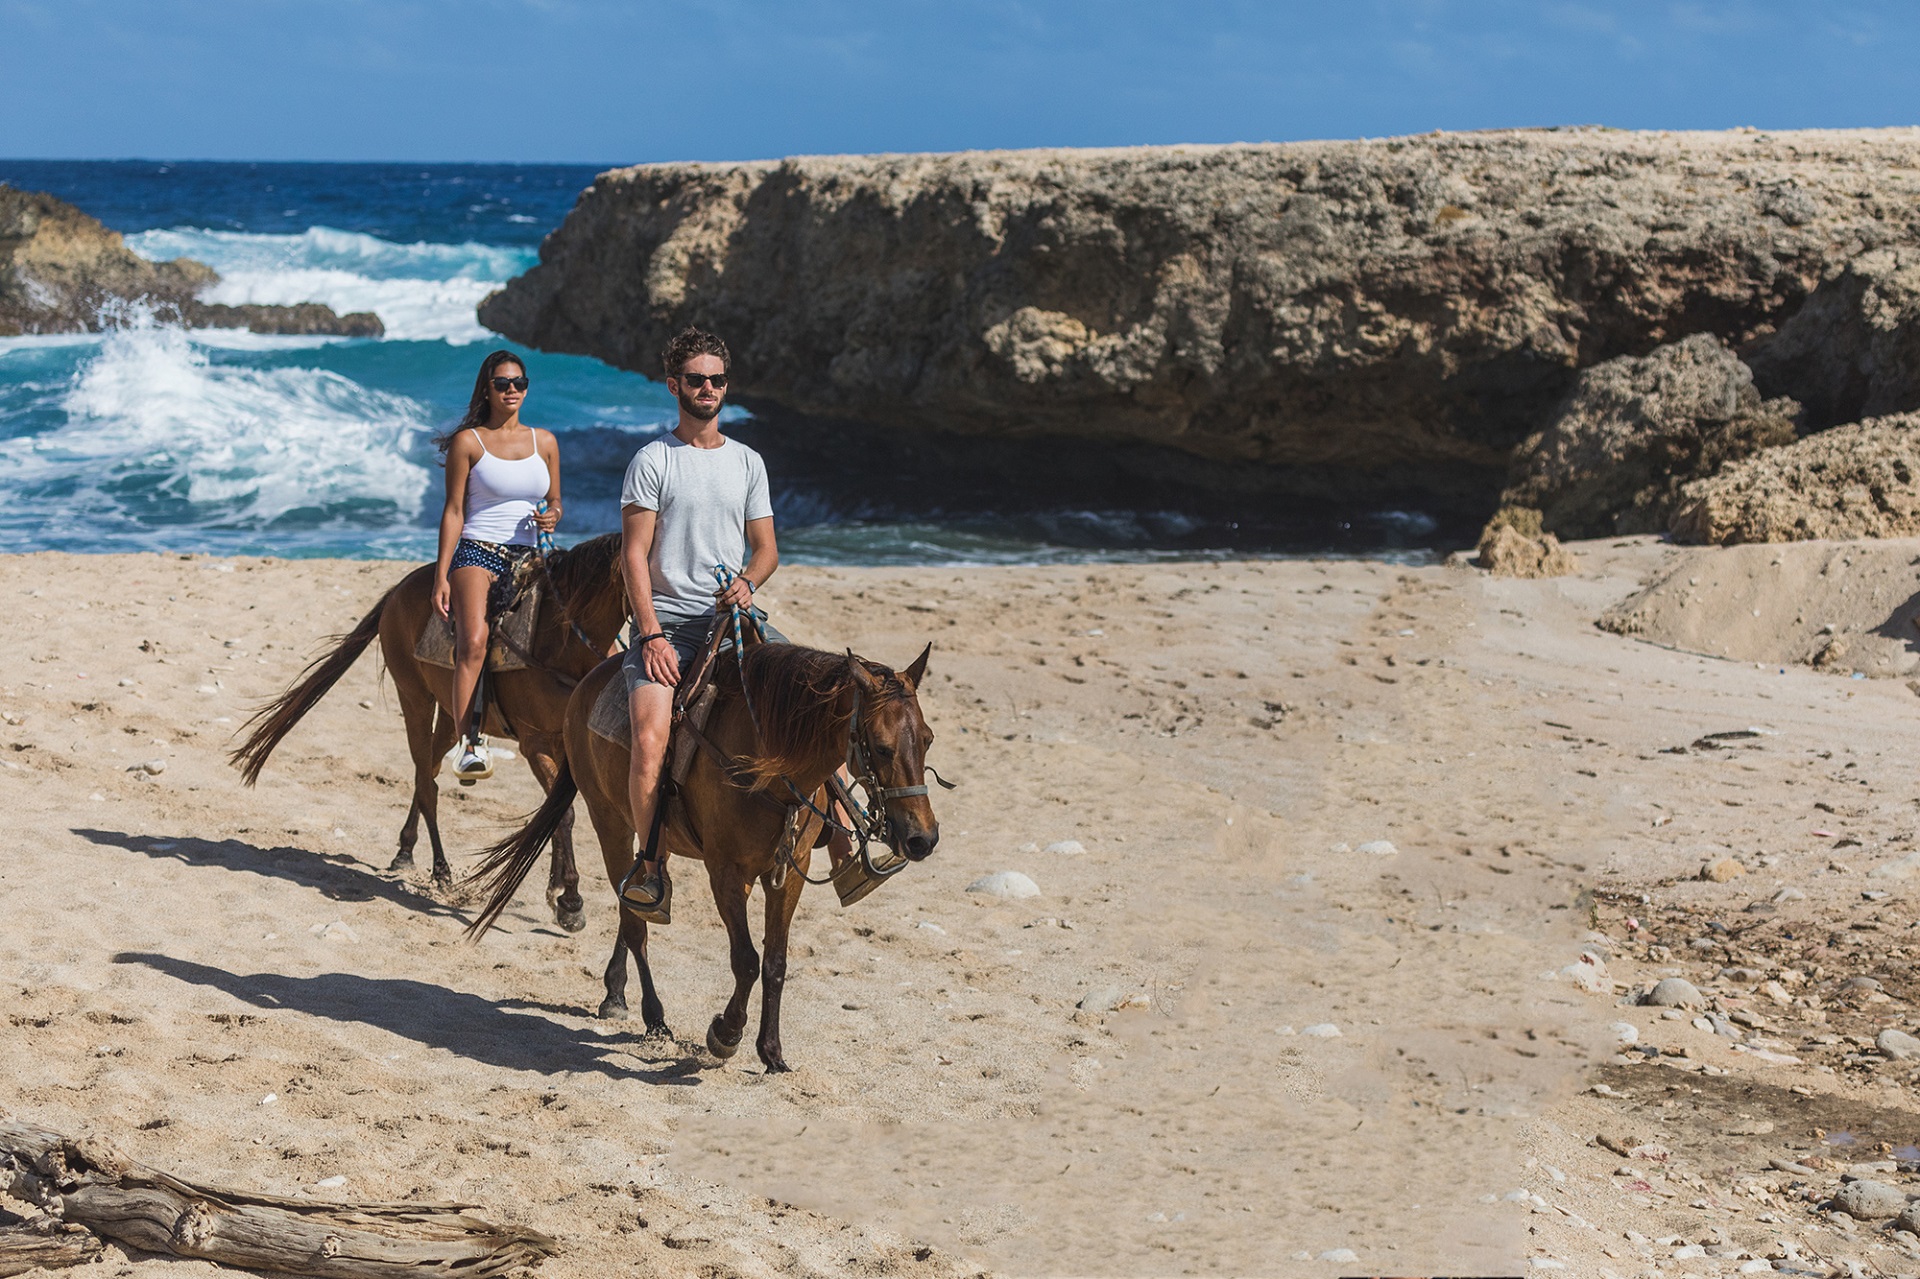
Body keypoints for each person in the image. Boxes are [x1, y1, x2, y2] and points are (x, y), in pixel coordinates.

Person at [616, 326, 788, 921]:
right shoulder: (652, 460)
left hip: (733, 619)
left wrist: (749, 583)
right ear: (674, 386)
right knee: (648, 739)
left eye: (717, 379)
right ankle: (650, 867)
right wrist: (651, 634)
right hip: (668, 620)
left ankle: (846, 840)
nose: (708, 388)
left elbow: (765, 549)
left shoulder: (748, 461)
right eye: (696, 379)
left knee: (816, 696)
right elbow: (633, 555)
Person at [431, 350, 562, 780]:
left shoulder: (544, 441)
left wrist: (553, 514)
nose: (512, 391)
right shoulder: (469, 442)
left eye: (519, 383)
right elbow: (453, 511)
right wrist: (441, 576)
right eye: (503, 384)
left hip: (532, 555)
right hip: (478, 551)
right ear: (486, 389)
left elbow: (555, 500)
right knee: (472, 641)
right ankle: (470, 742)